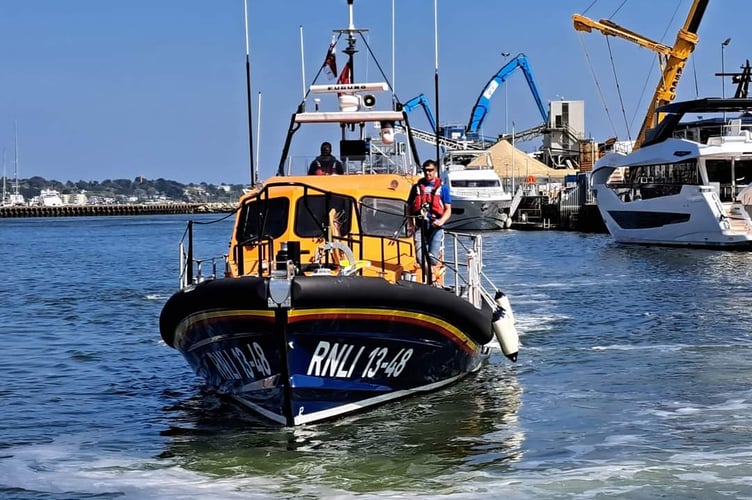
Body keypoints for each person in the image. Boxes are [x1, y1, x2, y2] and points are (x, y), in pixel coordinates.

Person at [407, 159, 452, 270]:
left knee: (433, 257)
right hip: (420, 225)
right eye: (425, 170)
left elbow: (448, 209)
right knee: (419, 256)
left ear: (435, 170)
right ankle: (429, 278)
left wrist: (441, 221)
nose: (428, 173)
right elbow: (408, 207)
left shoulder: (443, 188)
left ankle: (431, 277)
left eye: (430, 170)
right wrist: (411, 224)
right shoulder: (416, 188)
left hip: (435, 226)